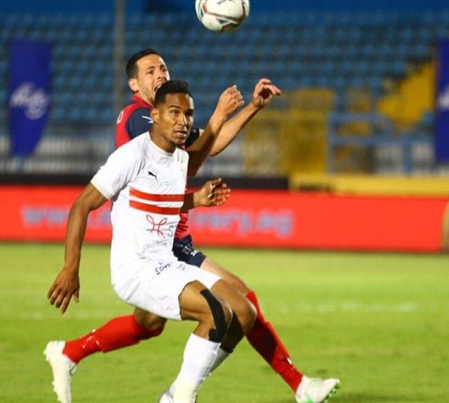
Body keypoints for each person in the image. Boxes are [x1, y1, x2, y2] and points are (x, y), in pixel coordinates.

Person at [48, 48, 340, 403]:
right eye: (150, 70)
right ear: (136, 86)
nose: (160, 73)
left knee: (150, 325)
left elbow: (200, 151)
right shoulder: (141, 120)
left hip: (168, 241)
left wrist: (250, 108)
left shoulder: (171, 124)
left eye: (163, 67)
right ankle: (293, 386)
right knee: (231, 307)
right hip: (157, 246)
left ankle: (70, 353)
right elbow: (191, 157)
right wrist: (217, 117)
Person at [45, 80, 256, 403]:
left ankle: (175, 393)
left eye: (188, 114)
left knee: (243, 312)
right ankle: (181, 398)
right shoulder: (132, 156)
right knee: (215, 312)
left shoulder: (179, 159)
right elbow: (81, 206)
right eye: (174, 112)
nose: (183, 121)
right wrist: (70, 267)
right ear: (154, 115)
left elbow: (158, 200)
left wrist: (196, 200)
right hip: (136, 269)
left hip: (166, 263)